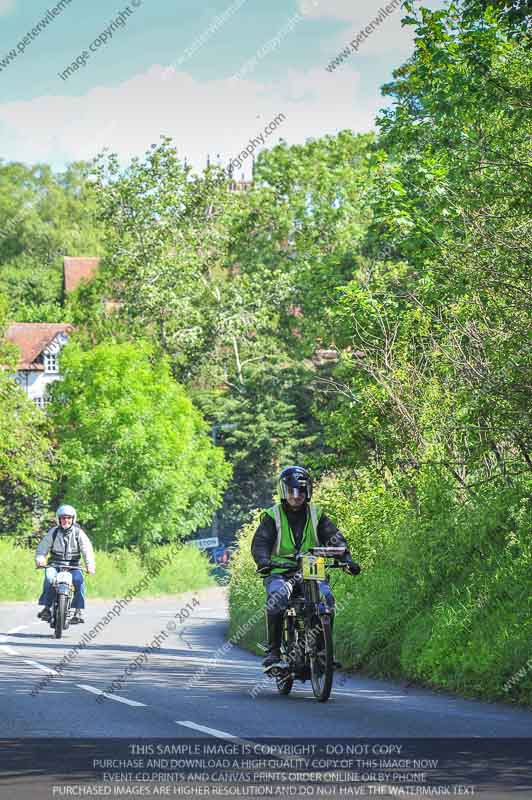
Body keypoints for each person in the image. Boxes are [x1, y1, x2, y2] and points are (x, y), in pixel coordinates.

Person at [251, 465, 360, 670]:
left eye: (300, 490)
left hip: (311, 570)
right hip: (280, 572)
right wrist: (263, 561)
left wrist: (347, 559)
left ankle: (323, 651)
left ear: (307, 491)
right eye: (291, 490)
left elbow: (335, 539)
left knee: (326, 599)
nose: (296, 495)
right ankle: (273, 651)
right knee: (278, 597)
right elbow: (260, 543)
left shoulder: (317, 514)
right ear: (284, 492)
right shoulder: (272, 515)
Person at [35, 504, 96, 624]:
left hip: (73, 566)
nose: (66, 520)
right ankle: (47, 608)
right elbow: (42, 548)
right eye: (63, 518)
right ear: (59, 519)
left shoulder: (79, 533)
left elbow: (87, 550)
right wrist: (40, 559)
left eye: (68, 518)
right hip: (55, 565)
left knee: (79, 581)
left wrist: (90, 565)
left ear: (73, 519)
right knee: (49, 578)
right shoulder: (53, 532)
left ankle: (78, 611)